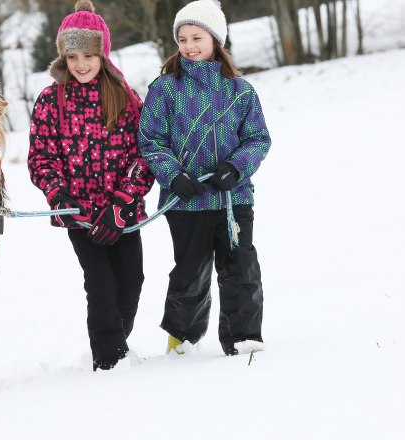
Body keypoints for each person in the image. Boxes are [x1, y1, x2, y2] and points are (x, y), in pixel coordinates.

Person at [137, 0, 271, 356]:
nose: (189, 45)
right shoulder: (165, 89)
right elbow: (150, 140)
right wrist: (172, 176)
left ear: (216, 39)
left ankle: (243, 338)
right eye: (182, 39)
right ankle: (181, 340)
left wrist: (237, 167)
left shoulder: (240, 91)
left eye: (197, 37)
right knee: (190, 272)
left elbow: (258, 138)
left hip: (233, 200)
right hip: (186, 201)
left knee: (241, 269)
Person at [27, 0, 155, 371]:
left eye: (88, 55)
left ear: (103, 53)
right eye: (72, 57)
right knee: (100, 286)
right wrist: (58, 193)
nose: (80, 64)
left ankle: (118, 340)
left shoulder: (125, 97)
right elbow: (41, 157)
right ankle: (109, 360)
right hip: (81, 216)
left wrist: (123, 201)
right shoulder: (52, 100)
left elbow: (143, 153)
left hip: (121, 212)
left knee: (131, 282)